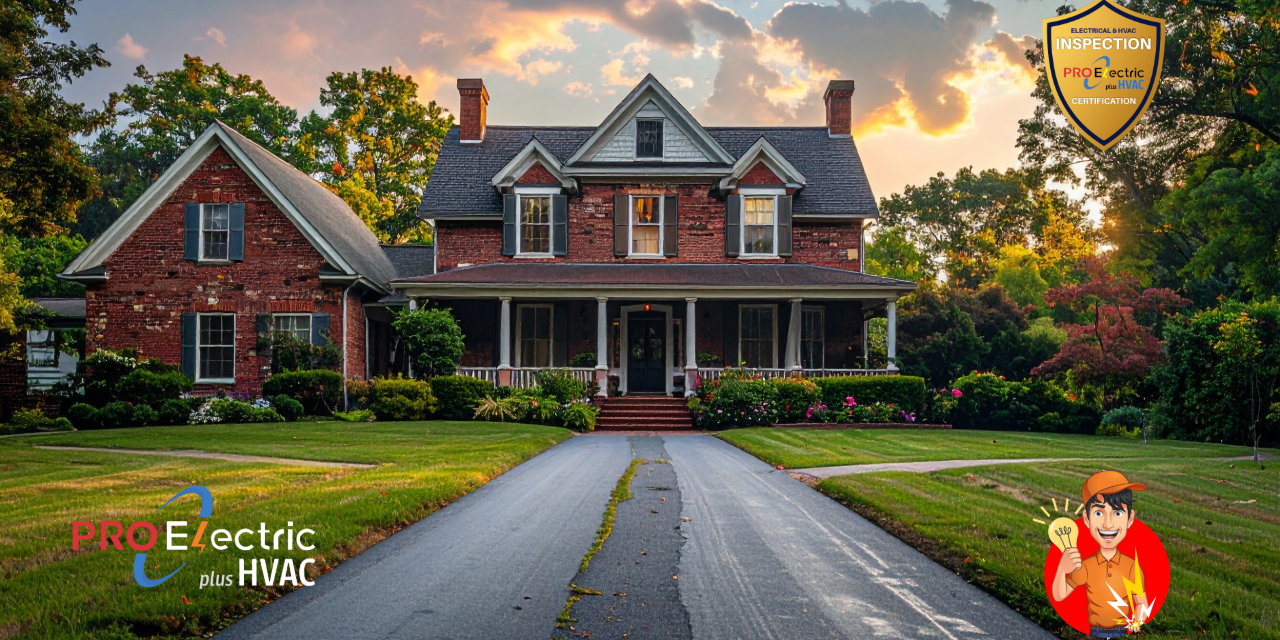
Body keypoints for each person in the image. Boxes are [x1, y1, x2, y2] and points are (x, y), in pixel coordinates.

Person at [1051, 470, 1151, 638]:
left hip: (1122, 631)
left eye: (1117, 513)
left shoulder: (1132, 567)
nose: (1108, 523)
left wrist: (1137, 624)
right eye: (1098, 513)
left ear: (1130, 518)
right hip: (1095, 633)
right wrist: (1062, 569)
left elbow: (1142, 603)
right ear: (1087, 519)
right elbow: (1059, 595)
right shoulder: (1087, 566)